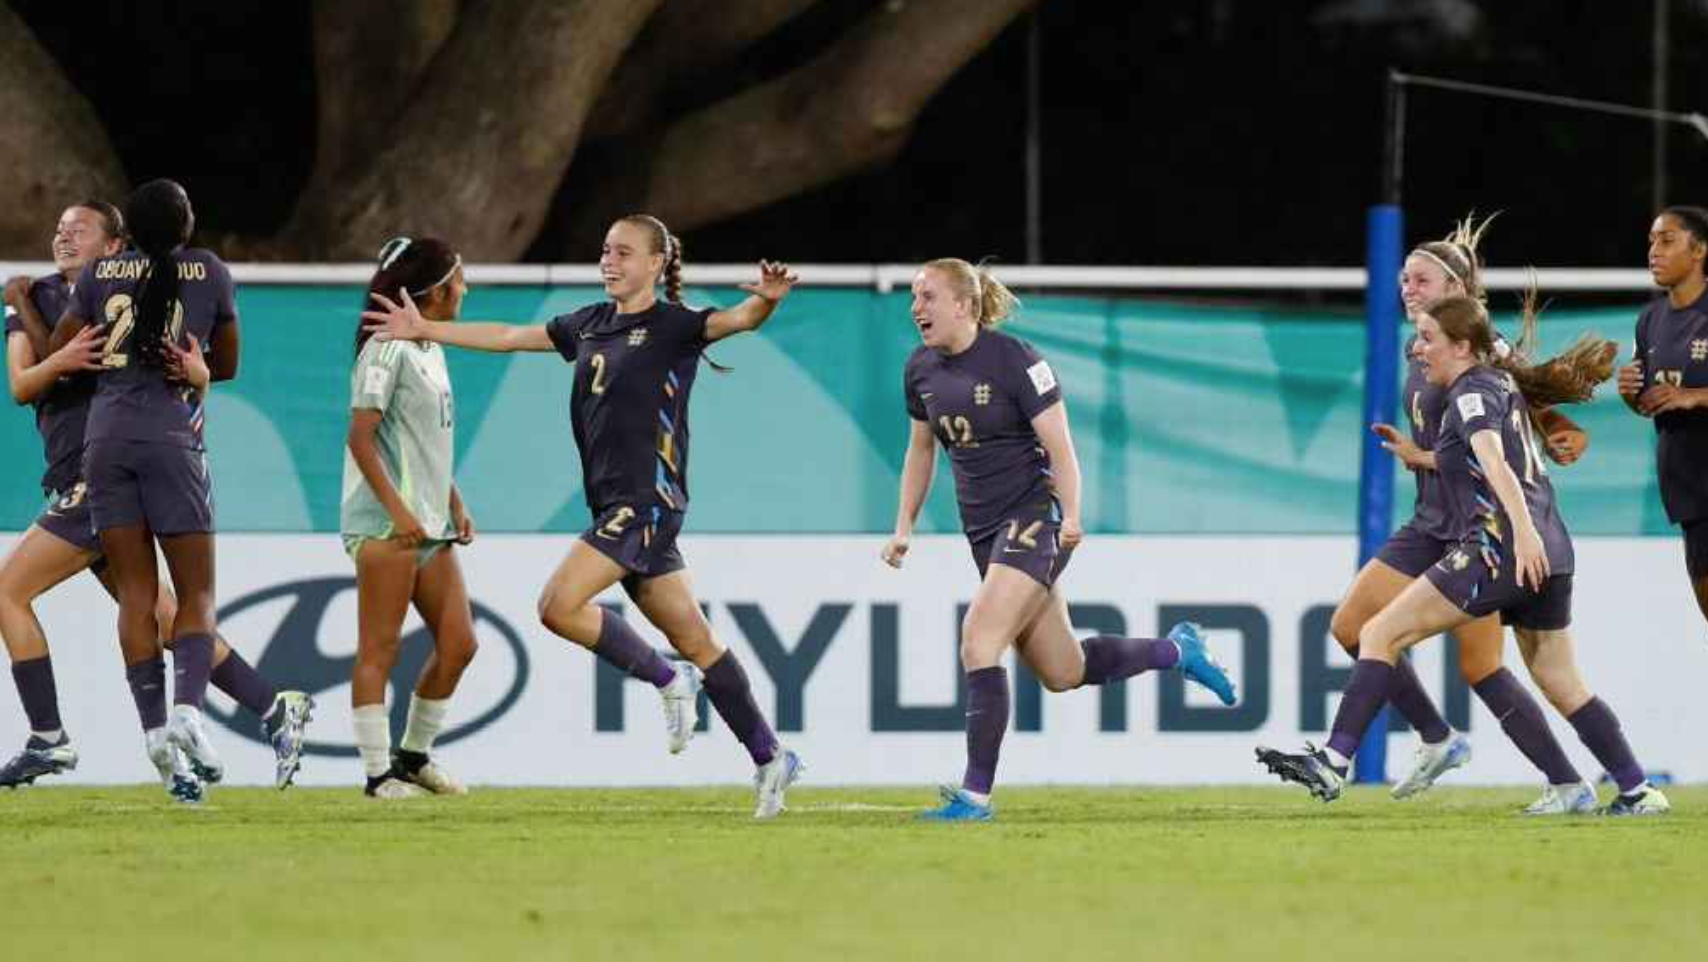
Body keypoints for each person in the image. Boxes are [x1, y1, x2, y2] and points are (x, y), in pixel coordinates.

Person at [362, 214, 803, 817]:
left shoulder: (674, 326)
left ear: (656, 263)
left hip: (645, 504)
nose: (610, 261)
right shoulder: (589, 323)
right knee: (697, 639)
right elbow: (512, 335)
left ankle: (669, 681)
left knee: (557, 605)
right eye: (605, 250)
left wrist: (767, 304)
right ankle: (770, 755)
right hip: (618, 506)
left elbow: (739, 318)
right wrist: (427, 329)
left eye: (624, 252)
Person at [1259, 296, 1670, 816]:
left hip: (1501, 547)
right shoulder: (1499, 385)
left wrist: (1519, 533)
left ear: (1461, 345)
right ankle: (1636, 790)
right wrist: (1421, 457)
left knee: (1379, 633)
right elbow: (1479, 458)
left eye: (1428, 338)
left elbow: (1495, 465)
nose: (1419, 347)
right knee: (1561, 681)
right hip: (1554, 548)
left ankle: (1334, 761)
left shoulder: (1469, 394)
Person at [882, 258, 1236, 823]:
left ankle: (975, 797)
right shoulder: (919, 369)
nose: (915, 307)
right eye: (914, 297)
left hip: (1031, 520)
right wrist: (903, 526)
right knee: (1062, 671)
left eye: (927, 296)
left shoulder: (1016, 360)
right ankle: (1178, 649)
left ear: (964, 306)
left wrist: (1070, 514)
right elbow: (920, 451)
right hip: (985, 535)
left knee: (978, 640)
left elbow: (1061, 447)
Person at [3, 199, 309, 798]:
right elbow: (22, 383)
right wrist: (36, 330)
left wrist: (44, 340)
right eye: (58, 228)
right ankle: (265, 710)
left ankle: (50, 736)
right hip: (77, 472)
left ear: (118, 244)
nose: (64, 237)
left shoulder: (100, 292)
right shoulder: (33, 294)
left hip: (103, 477)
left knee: (17, 591)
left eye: (80, 230)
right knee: (165, 615)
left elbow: (99, 368)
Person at [1333, 217, 1596, 813]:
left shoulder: (1481, 346)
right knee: (1351, 626)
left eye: (1419, 279)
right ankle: (1437, 738)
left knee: (1480, 666)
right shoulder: (1418, 342)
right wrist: (1422, 453)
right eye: (1403, 278)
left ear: (1456, 287)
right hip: (1430, 518)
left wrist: (1561, 428)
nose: (1406, 287)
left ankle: (1571, 782)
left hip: (1476, 525)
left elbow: (1522, 388)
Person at [48, 180, 252, 798]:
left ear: (128, 228)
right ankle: (189, 711)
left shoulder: (102, 272)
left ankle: (155, 730)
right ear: (185, 225)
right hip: (171, 437)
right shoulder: (210, 270)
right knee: (196, 593)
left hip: (104, 441)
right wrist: (197, 371)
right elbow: (228, 365)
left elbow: (63, 349)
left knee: (135, 594)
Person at [343, 238, 479, 799]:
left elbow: (419, 439)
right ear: (436, 288)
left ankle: (413, 757)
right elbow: (361, 437)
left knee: (460, 644)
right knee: (380, 649)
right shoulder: (386, 347)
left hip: (429, 522)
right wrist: (398, 513)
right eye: (460, 278)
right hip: (386, 523)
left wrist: (452, 497)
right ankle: (377, 777)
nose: (466, 289)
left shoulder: (430, 346)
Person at [1618, 205, 1708, 628]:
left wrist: (1694, 396)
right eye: (1652, 240)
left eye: (1667, 240)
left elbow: (1683, 396)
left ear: (1700, 250)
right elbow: (1652, 401)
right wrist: (1631, 396)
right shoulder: (1650, 319)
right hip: (1689, 493)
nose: (1654, 250)